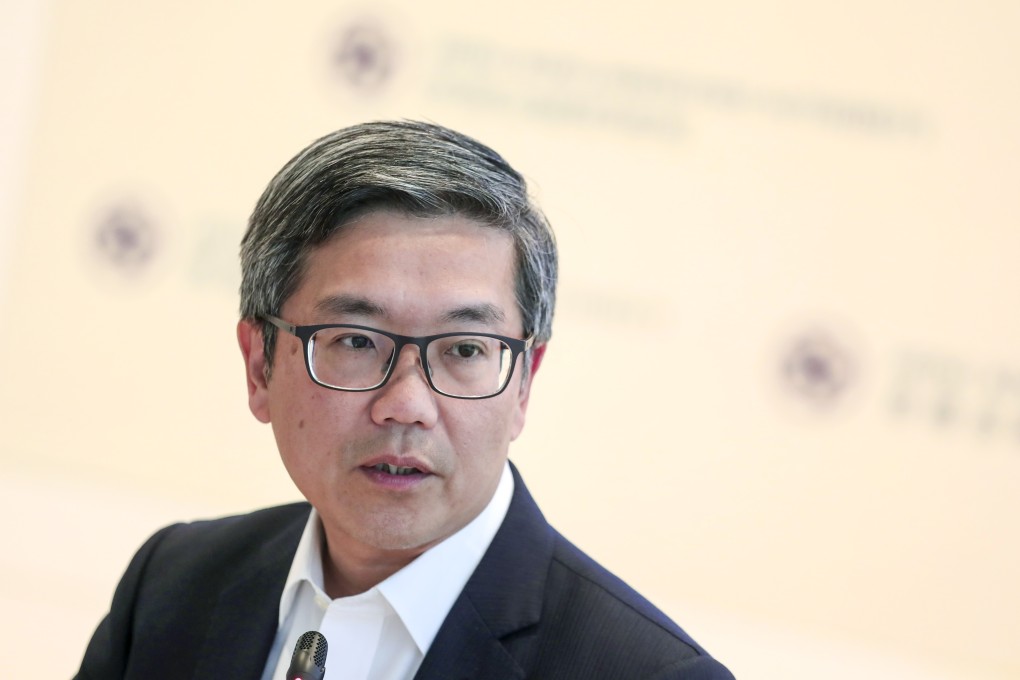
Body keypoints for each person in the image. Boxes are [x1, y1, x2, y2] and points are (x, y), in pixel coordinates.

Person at [75, 120, 734, 679]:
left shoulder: (646, 673)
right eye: (357, 340)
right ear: (259, 366)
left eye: (466, 350)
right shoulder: (172, 585)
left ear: (525, 381)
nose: (406, 405)